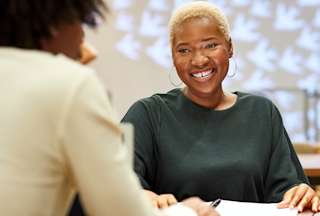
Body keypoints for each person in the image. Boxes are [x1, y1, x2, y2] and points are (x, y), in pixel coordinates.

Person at [0, 1, 220, 216]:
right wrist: (185, 211)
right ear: (57, 24)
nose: (83, 40)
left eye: (210, 45)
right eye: (82, 23)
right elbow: (120, 210)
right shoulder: (72, 84)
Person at [121, 1, 320, 213]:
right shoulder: (148, 114)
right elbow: (117, 186)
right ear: (173, 57)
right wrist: (143, 196)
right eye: (184, 50)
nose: (199, 60)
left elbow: (286, 193)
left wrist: (300, 194)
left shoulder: (262, 113)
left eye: (210, 45)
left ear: (230, 47)